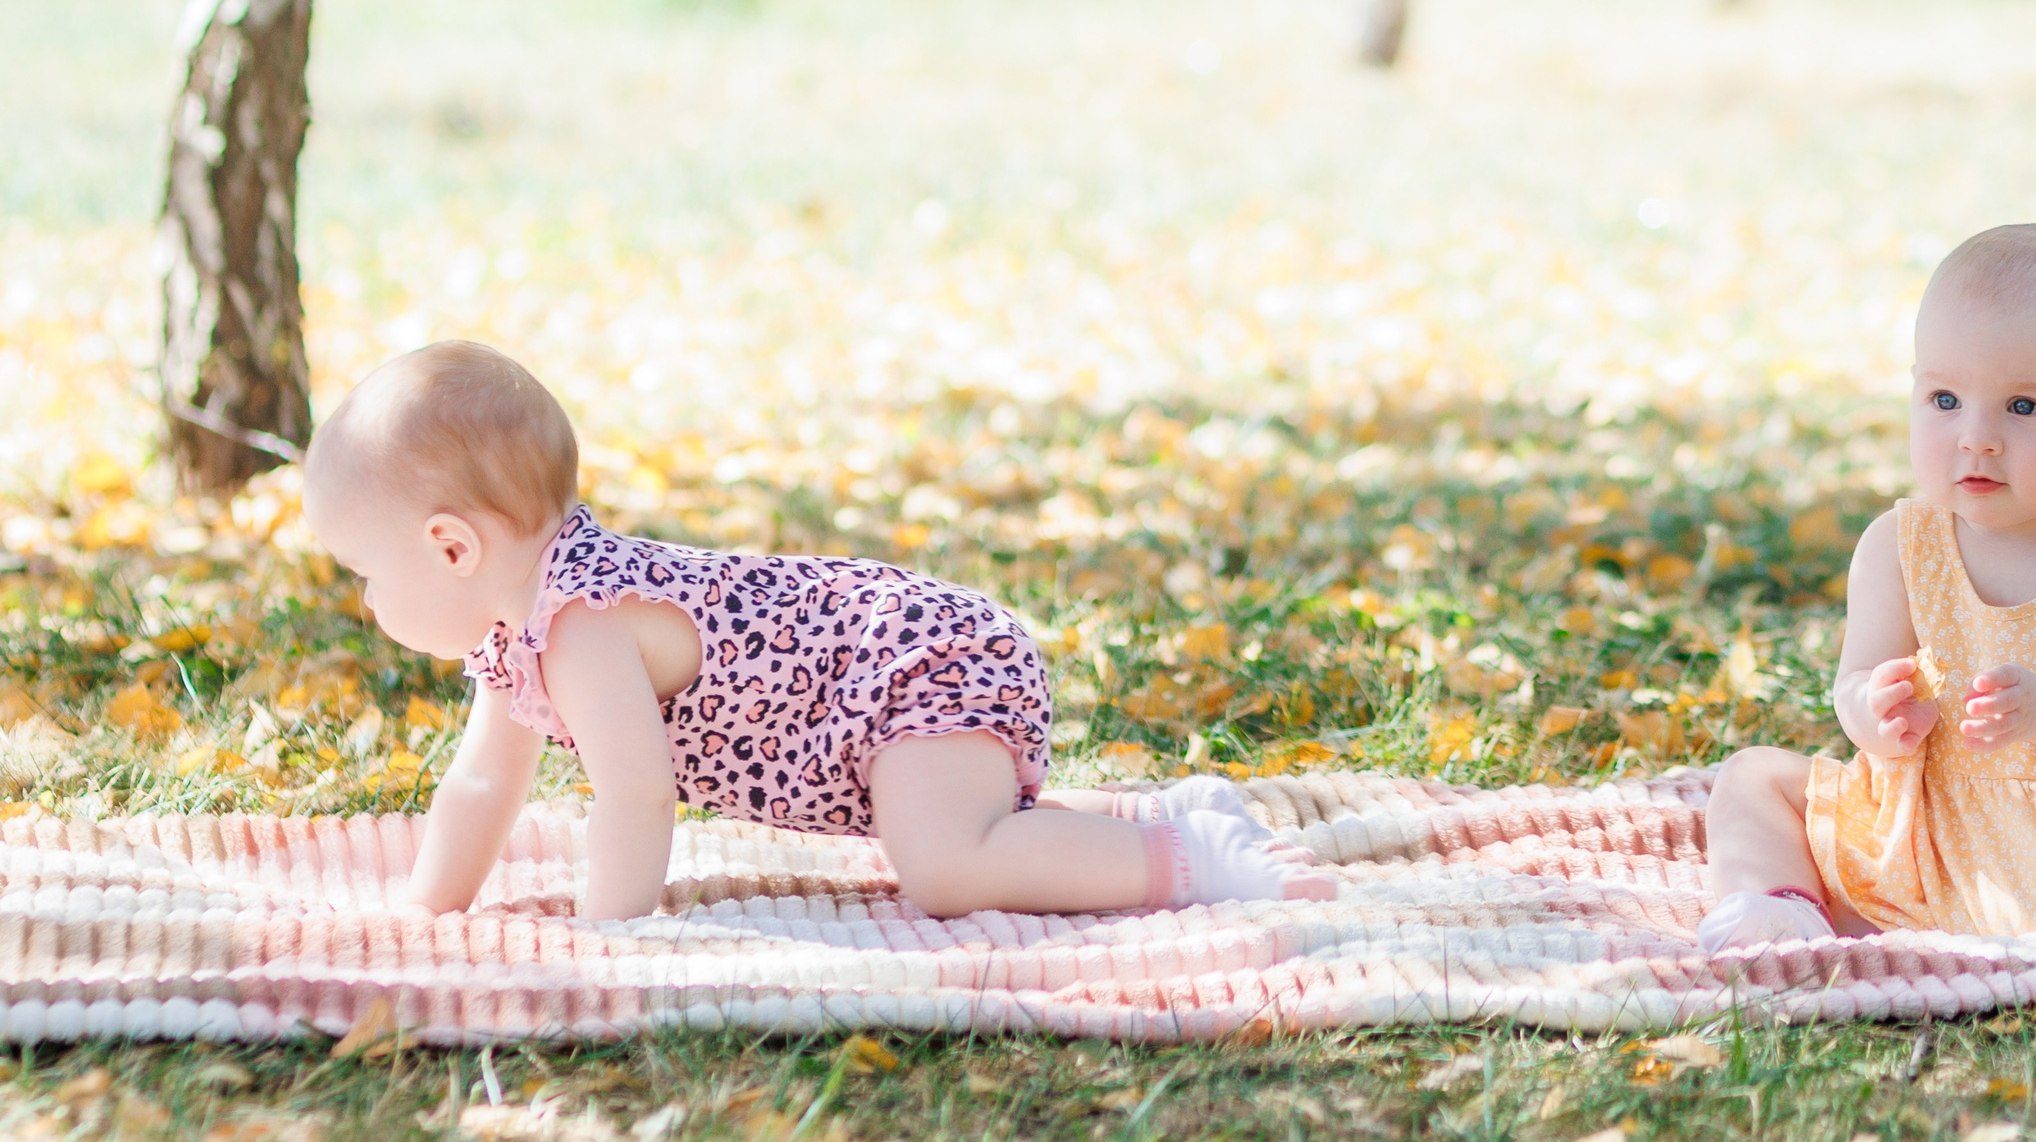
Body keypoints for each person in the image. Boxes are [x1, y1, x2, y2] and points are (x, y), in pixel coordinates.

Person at [301, 340, 1333, 921]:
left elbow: (635, 793)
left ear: (449, 547)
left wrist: (611, 935)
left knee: (945, 868)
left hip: (913, 668)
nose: (365, 602)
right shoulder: (514, 637)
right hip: (877, 685)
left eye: (364, 573)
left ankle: (1189, 856)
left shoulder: (581, 623)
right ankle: (1174, 820)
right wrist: (425, 916)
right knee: (942, 853)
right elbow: (483, 785)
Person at [1698, 224, 2036, 951]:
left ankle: (2001, 916)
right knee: (1751, 777)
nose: (1977, 436)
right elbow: (1854, 682)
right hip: (1916, 824)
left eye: (2023, 407)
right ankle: (1782, 911)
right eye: (1945, 399)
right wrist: (1873, 710)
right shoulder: (1897, 545)